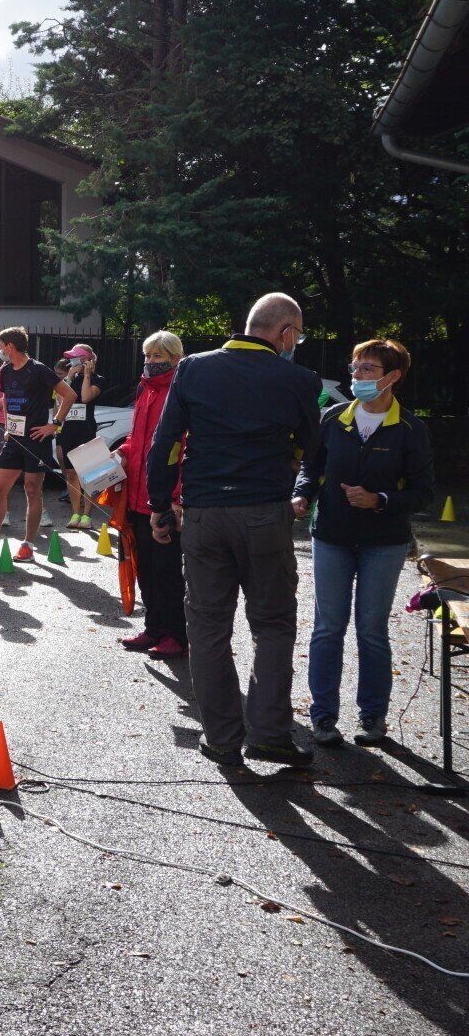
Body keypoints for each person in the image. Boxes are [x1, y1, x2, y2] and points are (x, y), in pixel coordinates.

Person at [149, 292, 323, 767]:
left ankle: (222, 739)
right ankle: (269, 734)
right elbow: (313, 448)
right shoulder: (299, 379)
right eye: (297, 335)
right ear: (286, 333)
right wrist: (297, 476)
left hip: (204, 514)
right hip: (265, 513)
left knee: (207, 626)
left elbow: (166, 444)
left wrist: (161, 506)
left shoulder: (193, 368)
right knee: (273, 625)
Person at [296, 339, 434, 748]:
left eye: (367, 369)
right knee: (327, 628)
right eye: (355, 368)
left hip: (384, 542)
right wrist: (302, 494)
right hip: (332, 536)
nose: (357, 376)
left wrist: (381, 500)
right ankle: (323, 716)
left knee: (371, 630)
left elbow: (424, 492)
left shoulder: (411, 428)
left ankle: (373, 716)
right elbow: (311, 465)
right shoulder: (332, 418)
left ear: (393, 376)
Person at [0, 327, 74, 564]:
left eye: (0, 345)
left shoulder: (39, 369)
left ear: (10, 346)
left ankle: (28, 545)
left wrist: (55, 424)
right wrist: (8, 426)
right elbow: (7, 398)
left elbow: (69, 395)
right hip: (14, 439)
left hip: (37, 439)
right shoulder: (5, 371)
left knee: (32, 489)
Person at [117, 332, 188, 659]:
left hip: (163, 497)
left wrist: (176, 497)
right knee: (144, 566)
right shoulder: (145, 389)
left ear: (175, 358)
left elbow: (184, 447)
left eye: (157, 356)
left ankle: (176, 634)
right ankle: (154, 627)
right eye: (148, 355)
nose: (150, 361)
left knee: (167, 570)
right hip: (137, 495)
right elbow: (137, 437)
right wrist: (122, 452)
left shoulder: (182, 391)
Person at [57, 344, 105, 528]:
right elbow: (59, 401)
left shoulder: (97, 379)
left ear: (87, 359)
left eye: (76, 358)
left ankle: (86, 515)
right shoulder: (68, 379)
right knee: (71, 473)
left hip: (86, 429)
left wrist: (86, 374)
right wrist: (69, 377)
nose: (72, 361)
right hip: (68, 429)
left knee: (88, 473)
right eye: (71, 358)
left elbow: (85, 397)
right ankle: (75, 513)